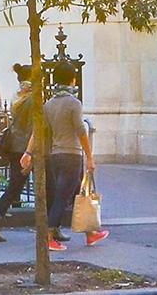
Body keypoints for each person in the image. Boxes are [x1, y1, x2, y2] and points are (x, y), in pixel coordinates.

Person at [20, 83, 104, 250]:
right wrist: (90, 157)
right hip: (72, 155)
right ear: (73, 80)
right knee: (63, 197)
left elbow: (38, 130)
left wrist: (28, 152)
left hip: (55, 155)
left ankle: (90, 233)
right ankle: (49, 236)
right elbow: (81, 131)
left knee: (75, 194)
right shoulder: (74, 103)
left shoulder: (49, 104)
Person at [0, 75, 36, 241]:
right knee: (17, 186)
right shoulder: (33, 102)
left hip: (15, 146)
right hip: (25, 148)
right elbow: (34, 128)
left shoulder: (18, 101)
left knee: (16, 186)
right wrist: (30, 152)